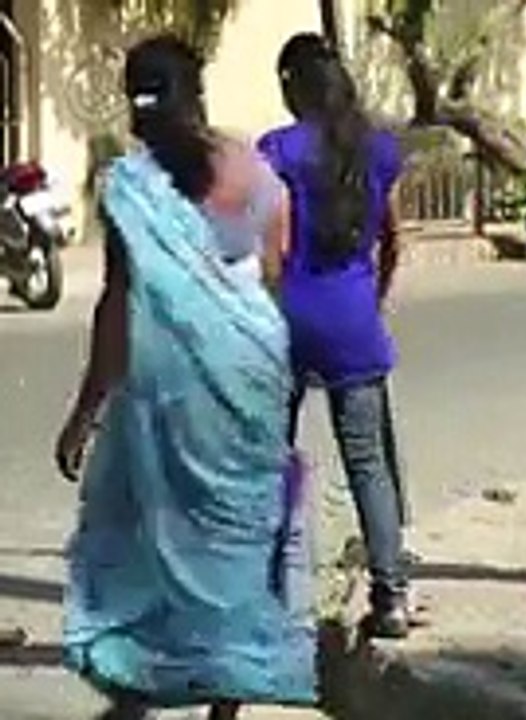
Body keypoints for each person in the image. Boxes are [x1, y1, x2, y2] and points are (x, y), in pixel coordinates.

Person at [54, 35, 314, 719]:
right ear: (197, 91)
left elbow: (117, 306)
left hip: (166, 390)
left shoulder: (129, 188)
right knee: (237, 535)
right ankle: (226, 701)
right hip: (252, 377)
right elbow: (276, 284)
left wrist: (86, 412)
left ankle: (137, 689)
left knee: (142, 533)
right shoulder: (260, 177)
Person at [257, 33, 412, 639]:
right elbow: (395, 239)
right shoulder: (378, 149)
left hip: (290, 315)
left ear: (293, 86)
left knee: (273, 462)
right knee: (368, 462)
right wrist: (371, 303)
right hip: (353, 316)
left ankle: (272, 598)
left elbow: (279, 248)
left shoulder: (280, 150)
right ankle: (392, 595)